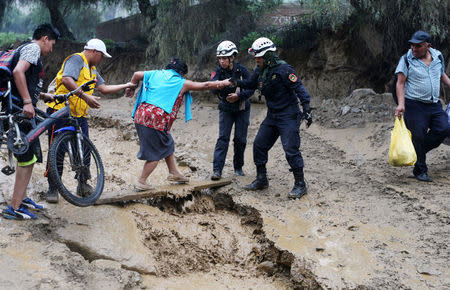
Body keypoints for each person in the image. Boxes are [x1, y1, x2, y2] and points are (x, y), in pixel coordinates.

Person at [44, 38, 137, 202]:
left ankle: (83, 184)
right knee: (57, 151)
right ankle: (53, 188)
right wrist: (86, 97)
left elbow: (104, 88)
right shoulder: (76, 59)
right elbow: (67, 79)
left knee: (84, 149)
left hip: (78, 115)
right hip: (60, 111)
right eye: (101, 56)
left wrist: (126, 85)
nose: (101, 60)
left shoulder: (92, 69)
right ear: (94, 52)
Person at [223, 37, 313, 199]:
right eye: (256, 57)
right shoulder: (260, 69)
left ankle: (300, 184)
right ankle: (261, 179)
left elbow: (299, 87)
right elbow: (251, 83)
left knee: (291, 149)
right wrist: (235, 82)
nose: (256, 60)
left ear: (268, 56)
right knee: (259, 145)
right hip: (272, 115)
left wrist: (306, 109)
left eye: (259, 57)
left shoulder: (284, 70)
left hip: (288, 115)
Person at [126, 58, 231, 191]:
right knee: (155, 153)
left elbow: (136, 75)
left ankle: (174, 172)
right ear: (182, 73)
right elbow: (205, 86)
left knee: (168, 142)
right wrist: (224, 82)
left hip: (140, 115)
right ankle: (142, 181)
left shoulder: (156, 73)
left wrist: (131, 88)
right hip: (155, 120)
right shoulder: (181, 82)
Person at [2, 24, 59, 219]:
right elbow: (18, 72)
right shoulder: (33, 48)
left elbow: (25, 79)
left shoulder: (28, 49)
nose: (51, 49)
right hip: (20, 111)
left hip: (23, 110)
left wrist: (40, 95)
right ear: (45, 38)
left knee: (28, 157)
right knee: (27, 159)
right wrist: (27, 102)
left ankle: (23, 198)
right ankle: (15, 208)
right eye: (52, 44)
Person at [395, 30, 450, 182]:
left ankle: (414, 151)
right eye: (412, 46)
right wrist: (401, 104)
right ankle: (420, 170)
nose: (414, 49)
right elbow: (400, 83)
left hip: (433, 104)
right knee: (418, 135)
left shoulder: (438, 56)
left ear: (428, 46)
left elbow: (441, 74)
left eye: (418, 46)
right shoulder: (406, 59)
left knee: (444, 129)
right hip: (414, 104)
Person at [210, 40, 254, 180]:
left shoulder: (242, 71)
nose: (222, 61)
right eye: (220, 58)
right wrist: (219, 86)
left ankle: (238, 167)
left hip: (242, 108)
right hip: (226, 108)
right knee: (223, 138)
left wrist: (239, 95)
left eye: (225, 58)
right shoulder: (217, 72)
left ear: (232, 57)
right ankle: (217, 170)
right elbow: (211, 87)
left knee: (240, 139)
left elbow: (251, 87)